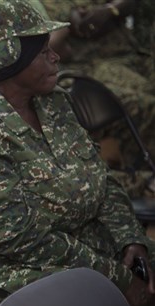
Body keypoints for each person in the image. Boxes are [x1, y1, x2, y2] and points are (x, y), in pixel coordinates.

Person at [0, 0, 155, 306]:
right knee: (96, 303)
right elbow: (21, 240)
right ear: (8, 59)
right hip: (6, 266)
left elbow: (99, 177)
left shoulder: (53, 102)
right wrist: (119, 280)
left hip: (76, 244)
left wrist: (130, 236)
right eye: (42, 50)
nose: (56, 56)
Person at [42, 0, 155, 199]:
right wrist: (77, 21)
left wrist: (111, 10)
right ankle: (144, 181)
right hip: (92, 63)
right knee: (146, 103)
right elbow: (67, 31)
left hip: (133, 54)